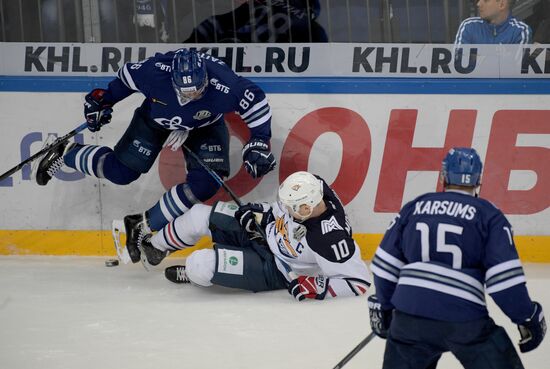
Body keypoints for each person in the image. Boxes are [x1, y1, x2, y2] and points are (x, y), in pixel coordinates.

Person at [34, 48, 276, 264]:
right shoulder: (153, 72)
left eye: (198, 91)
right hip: (155, 120)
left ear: (206, 80)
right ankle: (66, 153)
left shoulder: (225, 84)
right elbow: (125, 77)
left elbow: (257, 104)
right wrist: (103, 100)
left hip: (205, 125)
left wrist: (259, 141)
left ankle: (142, 224)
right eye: (185, 92)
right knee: (121, 172)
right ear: (173, 79)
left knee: (206, 184)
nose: (190, 97)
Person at [368, 148, 546, 369]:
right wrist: (526, 316)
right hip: (464, 319)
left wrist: (385, 307)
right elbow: (504, 281)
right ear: (479, 179)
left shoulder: (414, 207)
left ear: (443, 176)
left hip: (409, 317)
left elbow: (385, 267)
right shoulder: (489, 215)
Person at [138, 171, 370, 301]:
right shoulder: (313, 185)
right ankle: (156, 247)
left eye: (290, 208)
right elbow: (277, 210)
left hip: (275, 267)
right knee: (198, 215)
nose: (285, 209)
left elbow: (358, 282)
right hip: (265, 230)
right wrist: (261, 212)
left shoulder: (330, 240)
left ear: (306, 210)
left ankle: (197, 275)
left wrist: (319, 287)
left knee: (199, 264)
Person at [182, 0, 327, 43]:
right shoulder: (313, 28)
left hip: (232, 50)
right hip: (261, 64)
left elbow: (216, 23)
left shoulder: (259, 4)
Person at [454, 0, 532, 44]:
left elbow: (513, 70)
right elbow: (458, 68)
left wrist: (476, 57)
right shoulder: (468, 26)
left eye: (485, 0)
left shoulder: (520, 31)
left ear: (502, 4)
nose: (478, 4)